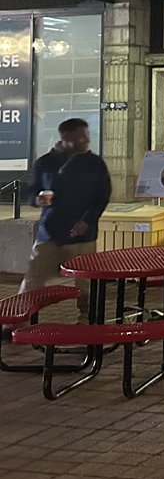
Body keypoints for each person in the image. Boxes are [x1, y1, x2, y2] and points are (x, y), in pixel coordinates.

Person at [14, 118, 112, 325]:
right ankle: (16, 319)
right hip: (50, 232)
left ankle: (88, 319)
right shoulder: (45, 163)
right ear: (66, 138)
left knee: (85, 281)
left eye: (86, 135)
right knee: (33, 277)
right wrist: (37, 199)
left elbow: (101, 196)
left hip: (82, 234)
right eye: (80, 136)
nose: (87, 139)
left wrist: (88, 220)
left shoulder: (94, 163)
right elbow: (31, 190)